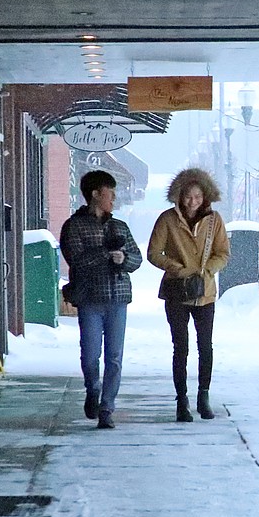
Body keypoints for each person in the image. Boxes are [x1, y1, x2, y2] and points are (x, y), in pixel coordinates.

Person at [59, 170, 143, 429]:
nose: (114, 199)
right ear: (95, 194)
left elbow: (136, 258)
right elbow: (77, 260)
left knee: (115, 357)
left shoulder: (120, 226)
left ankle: (107, 407)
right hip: (90, 299)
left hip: (118, 298)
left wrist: (123, 259)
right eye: (110, 194)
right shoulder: (74, 226)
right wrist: (106, 254)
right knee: (90, 354)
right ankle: (92, 389)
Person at [146, 167, 231, 423]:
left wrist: (208, 270)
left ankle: (203, 396)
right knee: (180, 347)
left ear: (205, 197)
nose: (193, 201)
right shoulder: (167, 220)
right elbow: (154, 252)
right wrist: (179, 269)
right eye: (188, 196)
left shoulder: (215, 221)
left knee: (205, 346)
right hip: (176, 291)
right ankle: (181, 399)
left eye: (198, 196)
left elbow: (223, 253)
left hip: (205, 292)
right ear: (179, 196)